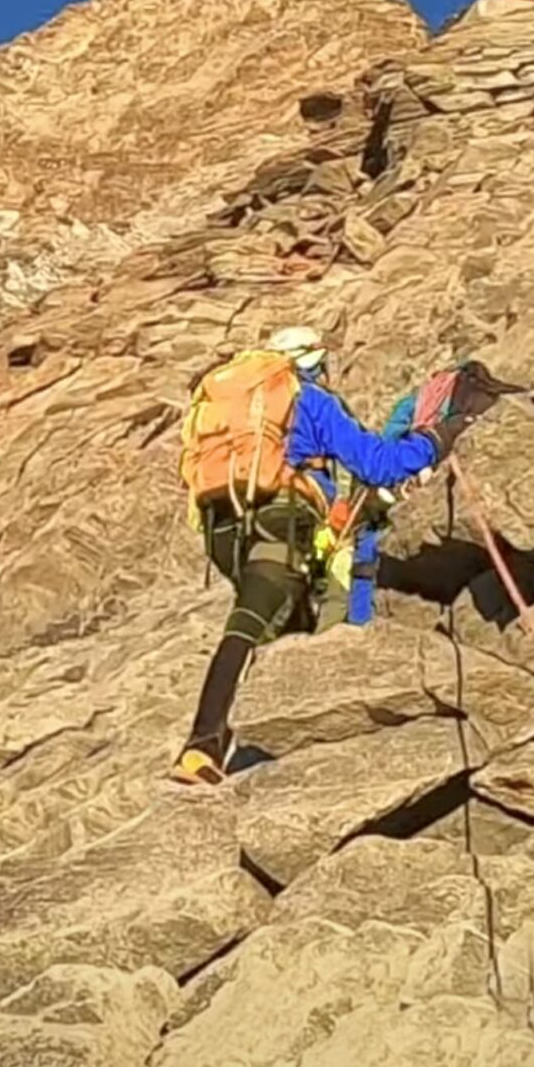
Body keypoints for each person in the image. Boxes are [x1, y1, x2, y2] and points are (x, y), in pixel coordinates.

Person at [169, 327, 489, 786]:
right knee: (253, 620)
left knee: (282, 622)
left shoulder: (237, 415)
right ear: (308, 363)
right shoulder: (309, 398)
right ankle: (203, 747)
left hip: (223, 529)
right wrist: (438, 440)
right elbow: (377, 463)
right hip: (280, 520)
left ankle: (264, 747)